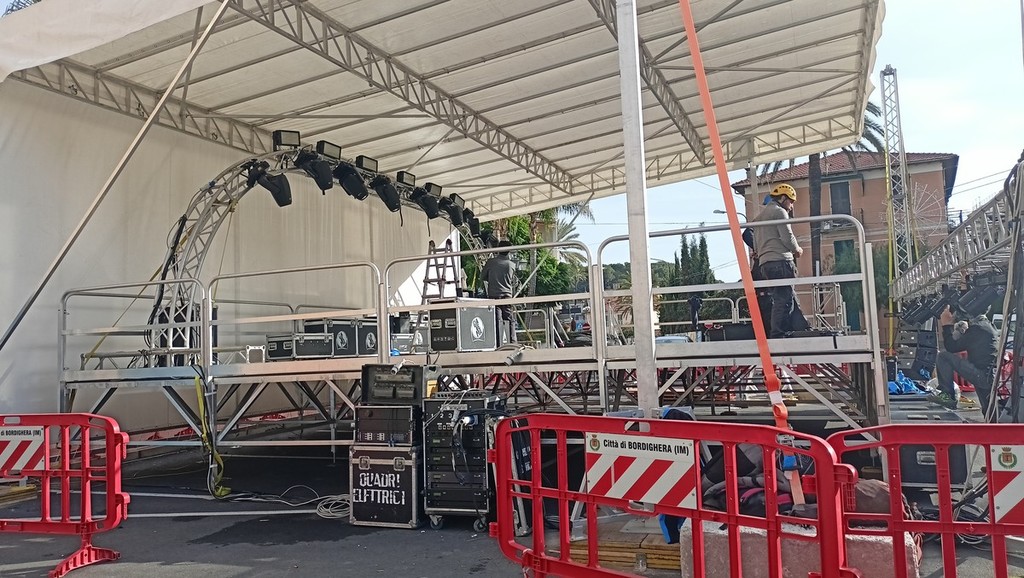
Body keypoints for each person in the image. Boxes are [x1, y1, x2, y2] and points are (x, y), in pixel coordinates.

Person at [750, 183, 805, 338]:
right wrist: (797, 250)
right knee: (784, 299)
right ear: (782, 198)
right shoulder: (780, 212)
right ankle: (779, 333)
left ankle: (792, 328)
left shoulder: (760, 217)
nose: (791, 206)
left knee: (781, 297)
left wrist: (760, 252)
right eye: (791, 201)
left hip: (765, 264)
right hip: (781, 261)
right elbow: (787, 236)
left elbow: (754, 241)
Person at [931, 305, 998, 414]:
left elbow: (951, 347)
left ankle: (948, 396)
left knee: (943, 357)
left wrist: (946, 325)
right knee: (989, 410)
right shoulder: (988, 326)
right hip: (988, 376)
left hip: (981, 374)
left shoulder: (978, 329)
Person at [481, 240, 517, 343]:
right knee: (510, 319)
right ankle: (513, 341)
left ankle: (498, 342)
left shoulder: (491, 262)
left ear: (498, 249)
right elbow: (512, 280)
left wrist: (492, 278)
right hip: (507, 295)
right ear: (509, 251)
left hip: (494, 295)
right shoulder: (511, 265)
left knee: (497, 320)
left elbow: (482, 277)